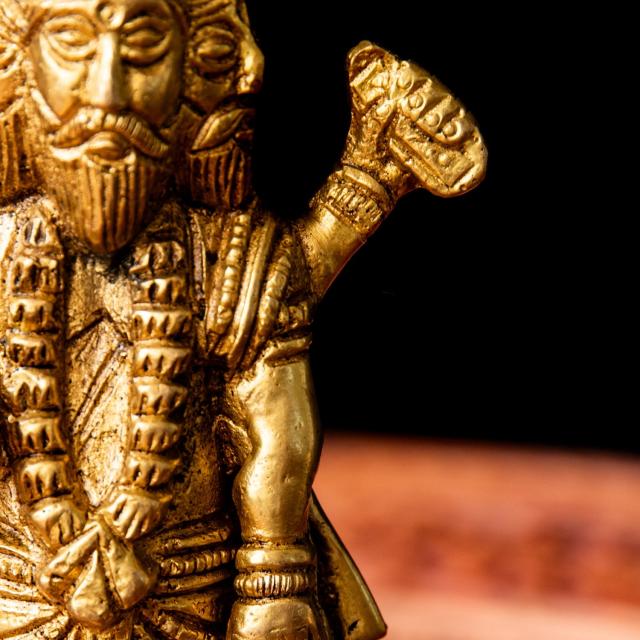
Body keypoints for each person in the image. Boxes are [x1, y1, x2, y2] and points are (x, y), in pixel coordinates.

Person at [0, 1, 486, 638]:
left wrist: (272, 581)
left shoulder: (235, 258)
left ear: (194, 73)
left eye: (143, 46)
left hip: (193, 602)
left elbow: (274, 433)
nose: (107, 91)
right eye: (71, 42)